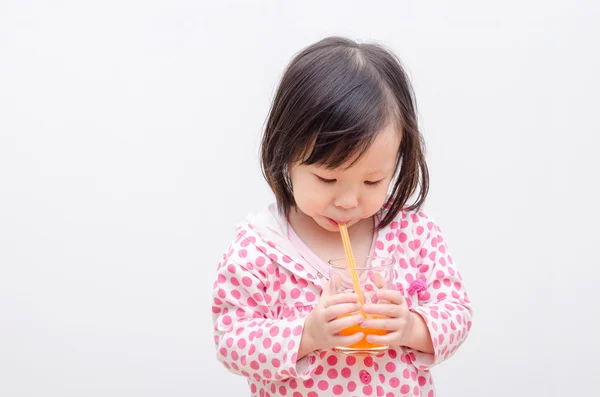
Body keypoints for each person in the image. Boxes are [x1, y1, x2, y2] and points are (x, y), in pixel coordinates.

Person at [211, 36, 473, 397]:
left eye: (372, 180)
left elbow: (456, 310)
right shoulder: (259, 250)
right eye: (327, 178)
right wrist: (309, 334)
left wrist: (411, 326)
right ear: (285, 155)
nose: (348, 201)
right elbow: (231, 340)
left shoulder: (414, 234)